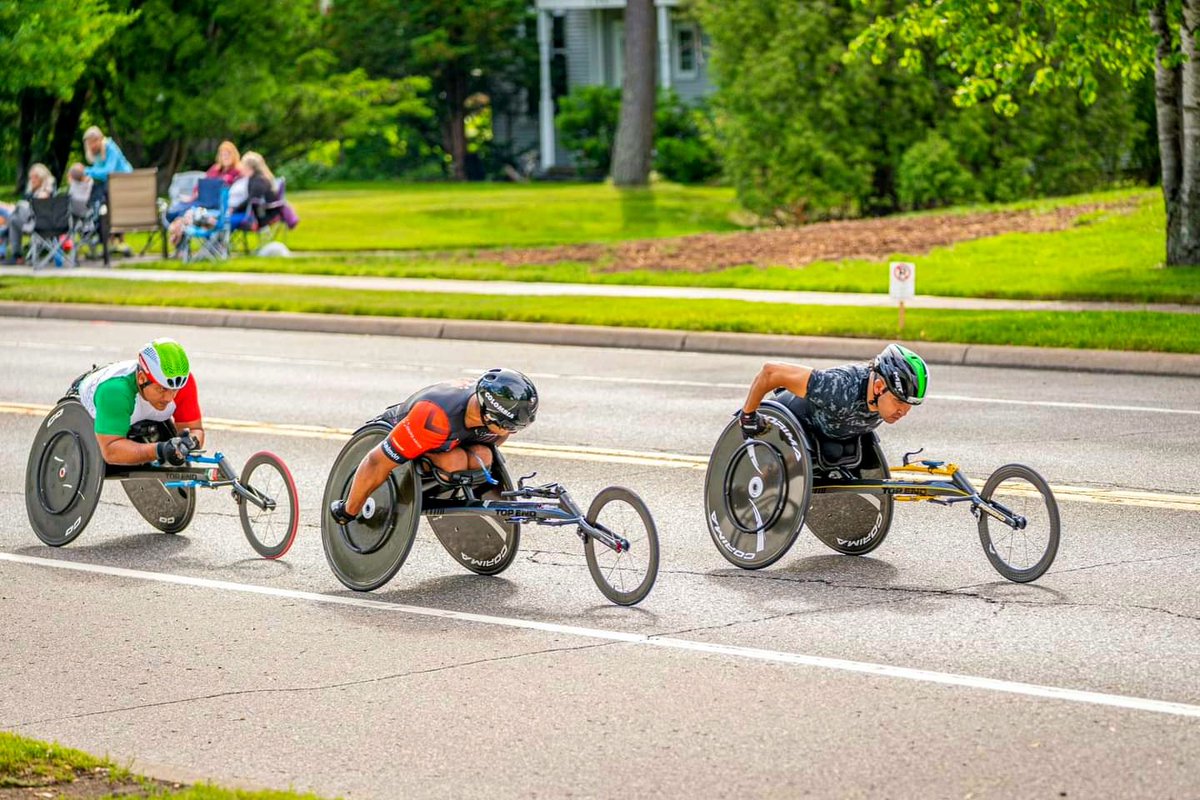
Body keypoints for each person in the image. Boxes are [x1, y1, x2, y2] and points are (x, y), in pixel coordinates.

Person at [330, 368, 539, 525]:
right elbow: (375, 462)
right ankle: (430, 465)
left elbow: (491, 441)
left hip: (454, 437)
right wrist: (348, 511)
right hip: (412, 430)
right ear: (488, 414)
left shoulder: (491, 411)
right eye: (508, 427)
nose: (511, 432)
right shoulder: (433, 419)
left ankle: (445, 470)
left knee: (483, 456)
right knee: (453, 462)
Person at [738, 343, 929, 442]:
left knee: (835, 452)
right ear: (879, 387)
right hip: (794, 423)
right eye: (899, 402)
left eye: (909, 406)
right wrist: (748, 415)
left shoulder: (883, 402)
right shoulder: (838, 387)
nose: (903, 412)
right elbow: (771, 371)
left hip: (833, 436)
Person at [70, 338, 206, 466]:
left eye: (175, 390)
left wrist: (192, 442)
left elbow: (194, 429)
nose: (169, 398)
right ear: (141, 378)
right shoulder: (115, 392)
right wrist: (159, 450)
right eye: (162, 389)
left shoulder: (184, 384)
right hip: (92, 409)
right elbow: (110, 451)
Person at [165, 141, 242, 222]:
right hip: (202, 200)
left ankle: (181, 227)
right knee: (175, 210)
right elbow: (201, 184)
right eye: (222, 154)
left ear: (234, 154)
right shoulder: (215, 169)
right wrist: (193, 196)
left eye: (227, 154)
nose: (225, 157)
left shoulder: (238, 171)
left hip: (217, 203)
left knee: (185, 212)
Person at [4, 163, 57, 265]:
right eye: (31, 177)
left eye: (36, 177)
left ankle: (8, 216)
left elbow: (41, 205)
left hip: (41, 224)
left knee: (17, 209)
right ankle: (17, 256)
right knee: (13, 219)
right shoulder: (30, 192)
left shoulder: (47, 191)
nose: (33, 180)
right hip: (28, 222)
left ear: (42, 177)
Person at [228, 150, 278, 231]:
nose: (241, 168)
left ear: (248, 167)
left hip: (260, 217)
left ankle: (217, 242)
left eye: (242, 165)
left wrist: (234, 209)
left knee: (224, 222)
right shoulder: (254, 178)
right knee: (221, 221)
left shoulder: (259, 181)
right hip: (254, 213)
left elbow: (252, 200)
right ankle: (217, 241)